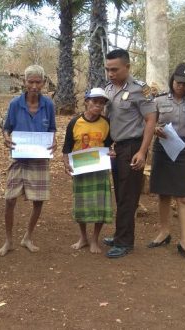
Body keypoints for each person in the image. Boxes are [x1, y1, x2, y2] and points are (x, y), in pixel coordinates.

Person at [148, 63, 185, 263]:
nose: (180, 87)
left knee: (184, 197)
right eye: (178, 82)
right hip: (163, 145)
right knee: (163, 193)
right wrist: (155, 128)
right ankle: (164, 231)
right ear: (173, 79)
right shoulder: (160, 99)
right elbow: (149, 122)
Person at [101, 49, 157, 258]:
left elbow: (151, 120)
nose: (110, 73)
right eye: (108, 69)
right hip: (117, 148)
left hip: (133, 147)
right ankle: (119, 235)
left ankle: (125, 242)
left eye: (114, 69)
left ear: (127, 67)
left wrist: (143, 152)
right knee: (120, 193)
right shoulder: (107, 89)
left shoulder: (141, 90)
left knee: (129, 195)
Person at [0, 64, 57, 256]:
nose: (34, 86)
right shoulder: (15, 104)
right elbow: (7, 128)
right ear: (24, 82)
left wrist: (53, 142)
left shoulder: (48, 105)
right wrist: (6, 137)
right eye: (31, 82)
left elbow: (52, 130)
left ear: (44, 83)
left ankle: (27, 237)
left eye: (38, 82)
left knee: (38, 201)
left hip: (39, 159)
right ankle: (8, 241)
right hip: (19, 158)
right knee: (10, 198)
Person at [62, 88, 113, 254]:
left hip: (99, 170)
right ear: (86, 101)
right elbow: (67, 147)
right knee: (82, 204)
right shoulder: (75, 123)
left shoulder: (106, 123)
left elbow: (109, 145)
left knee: (100, 204)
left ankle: (95, 240)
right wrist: (65, 163)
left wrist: (111, 152)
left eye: (102, 103)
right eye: (94, 101)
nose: (98, 106)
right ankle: (83, 237)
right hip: (81, 169)